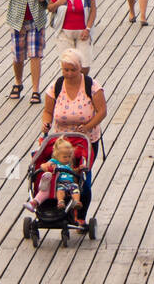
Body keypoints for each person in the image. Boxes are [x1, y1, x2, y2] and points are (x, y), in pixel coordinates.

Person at [39, 49, 107, 222]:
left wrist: (87, 127)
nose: (69, 74)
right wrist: (46, 124)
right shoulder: (56, 86)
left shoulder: (91, 86)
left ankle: (81, 215)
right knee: (60, 174)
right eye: (65, 70)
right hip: (61, 141)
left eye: (73, 70)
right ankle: (61, 208)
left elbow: (102, 111)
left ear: (80, 68)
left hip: (86, 140)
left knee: (82, 175)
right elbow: (47, 111)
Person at [5, 0, 55, 103]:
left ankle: (35, 89)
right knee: (18, 55)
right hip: (17, 17)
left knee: (35, 55)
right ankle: (18, 83)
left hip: (36, 17)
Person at [49, 0, 96, 69]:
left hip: (83, 32)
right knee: (68, 65)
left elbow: (93, 10)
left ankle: (83, 84)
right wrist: (58, 3)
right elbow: (50, 8)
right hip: (64, 32)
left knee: (84, 65)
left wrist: (88, 29)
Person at [33, 135, 86, 217]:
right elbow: (44, 165)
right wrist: (45, 167)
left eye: (69, 156)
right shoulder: (54, 162)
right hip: (59, 183)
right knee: (60, 190)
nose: (67, 158)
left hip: (70, 183)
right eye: (65, 157)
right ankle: (60, 202)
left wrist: (79, 169)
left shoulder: (68, 165)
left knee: (75, 189)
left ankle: (76, 202)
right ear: (57, 155)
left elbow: (73, 171)